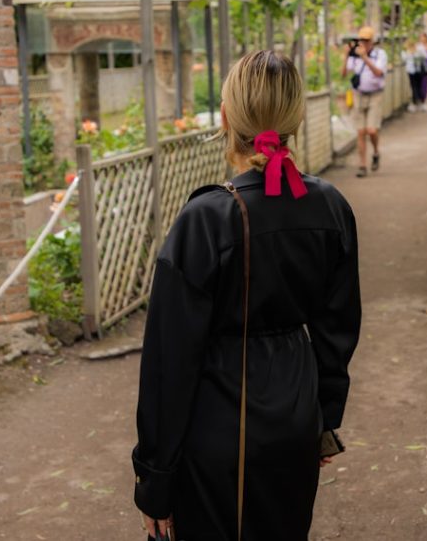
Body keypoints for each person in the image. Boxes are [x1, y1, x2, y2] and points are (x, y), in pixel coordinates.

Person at [133, 50, 362, 541]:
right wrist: (324, 418)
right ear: (295, 120)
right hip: (297, 422)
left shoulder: (206, 220)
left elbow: (168, 365)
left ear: (225, 118)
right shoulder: (331, 208)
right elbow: (337, 329)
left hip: (218, 434)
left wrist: (155, 476)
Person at [341, 26, 388, 177]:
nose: (364, 43)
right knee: (360, 131)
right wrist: (346, 56)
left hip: (375, 95)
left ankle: (375, 152)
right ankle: (362, 165)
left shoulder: (380, 54)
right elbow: (343, 74)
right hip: (358, 95)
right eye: (361, 40)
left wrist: (365, 58)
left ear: (372, 41)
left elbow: (379, 72)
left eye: (367, 40)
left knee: (372, 130)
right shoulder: (354, 56)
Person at [402, 37, 427, 112]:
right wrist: (409, 52)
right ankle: (415, 103)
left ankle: (421, 103)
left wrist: (417, 51)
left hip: (419, 71)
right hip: (411, 71)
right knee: (414, 87)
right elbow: (404, 59)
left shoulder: (420, 48)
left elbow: (425, 56)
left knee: (420, 86)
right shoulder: (407, 49)